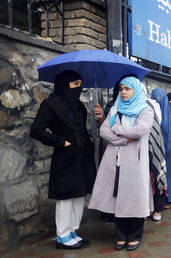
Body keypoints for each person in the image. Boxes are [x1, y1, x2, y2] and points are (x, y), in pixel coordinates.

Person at [30, 70, 96, 249]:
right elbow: (36, 130)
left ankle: (73, 230)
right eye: (75, 84)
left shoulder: (79, 106)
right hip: (65, 158)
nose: (79, 88)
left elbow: (81, 128)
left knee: (79, 194)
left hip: (82, 157)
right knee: (66, 196)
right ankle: (63, 235)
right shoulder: (51, 104)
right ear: (65, 84)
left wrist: (97, 120)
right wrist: (61, 142)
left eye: (80, 84)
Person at [88, 76, 154, 251]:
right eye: (122, 89)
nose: (123, 92)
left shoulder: (145, 109)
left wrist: (117, 129)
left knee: (135, 197)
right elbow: (104, 131)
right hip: (115, 160)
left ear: (136, 90)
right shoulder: (116, 108)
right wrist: (124, 139)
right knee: (117, 197)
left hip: (135, 161)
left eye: (128, 89)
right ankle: (120, 234)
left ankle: (134, 234)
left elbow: (140, 130)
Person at [152, 89, 171, 205]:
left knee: (168, 172)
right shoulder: (170, 113)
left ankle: (168, 197)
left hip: (166, 150)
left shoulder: (160, 113)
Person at [146, 91, 168, 221]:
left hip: (156, 146)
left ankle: (156, 210)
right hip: (142, 149)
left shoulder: (152, 106)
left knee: (156, 176)